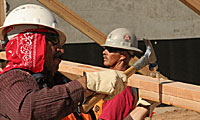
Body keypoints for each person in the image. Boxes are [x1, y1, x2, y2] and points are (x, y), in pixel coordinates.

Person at [0, 4, 127, 120]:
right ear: (31, 42)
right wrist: (85, 84)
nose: (61, 49)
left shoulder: (51, 81)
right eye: (54, 40)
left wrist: (90, 93)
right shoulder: (10, 79)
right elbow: (29, 111)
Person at [93, 28, 158, 120]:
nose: (104, 52)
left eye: (110, 49)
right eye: (105, 49)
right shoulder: (114, 81)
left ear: (123, 55)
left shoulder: (119, 90)